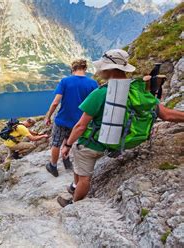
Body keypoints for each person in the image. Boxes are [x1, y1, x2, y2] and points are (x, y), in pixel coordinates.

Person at [57, 49, 184, 207]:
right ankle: (74, 188)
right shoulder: (137, 90)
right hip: (115, 142)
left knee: (84, 176)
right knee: (80, 165)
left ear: (109, 69)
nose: (100, 70)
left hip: (91, 144)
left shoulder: (100, 93)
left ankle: (74, 205)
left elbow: (80, 126)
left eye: (102, 67)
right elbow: (167, 115)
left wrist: (67, 144)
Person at [45, 59, 98, 177]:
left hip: (62, 119)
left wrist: (48, 116)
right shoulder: (93, 83)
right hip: (78, 122)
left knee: (56, 143)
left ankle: (53, 166)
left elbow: (55, 102)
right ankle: (66, 160)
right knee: (68, 141)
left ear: (72, 69)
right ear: (85, 69)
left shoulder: (65, 81)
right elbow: (94, 104)